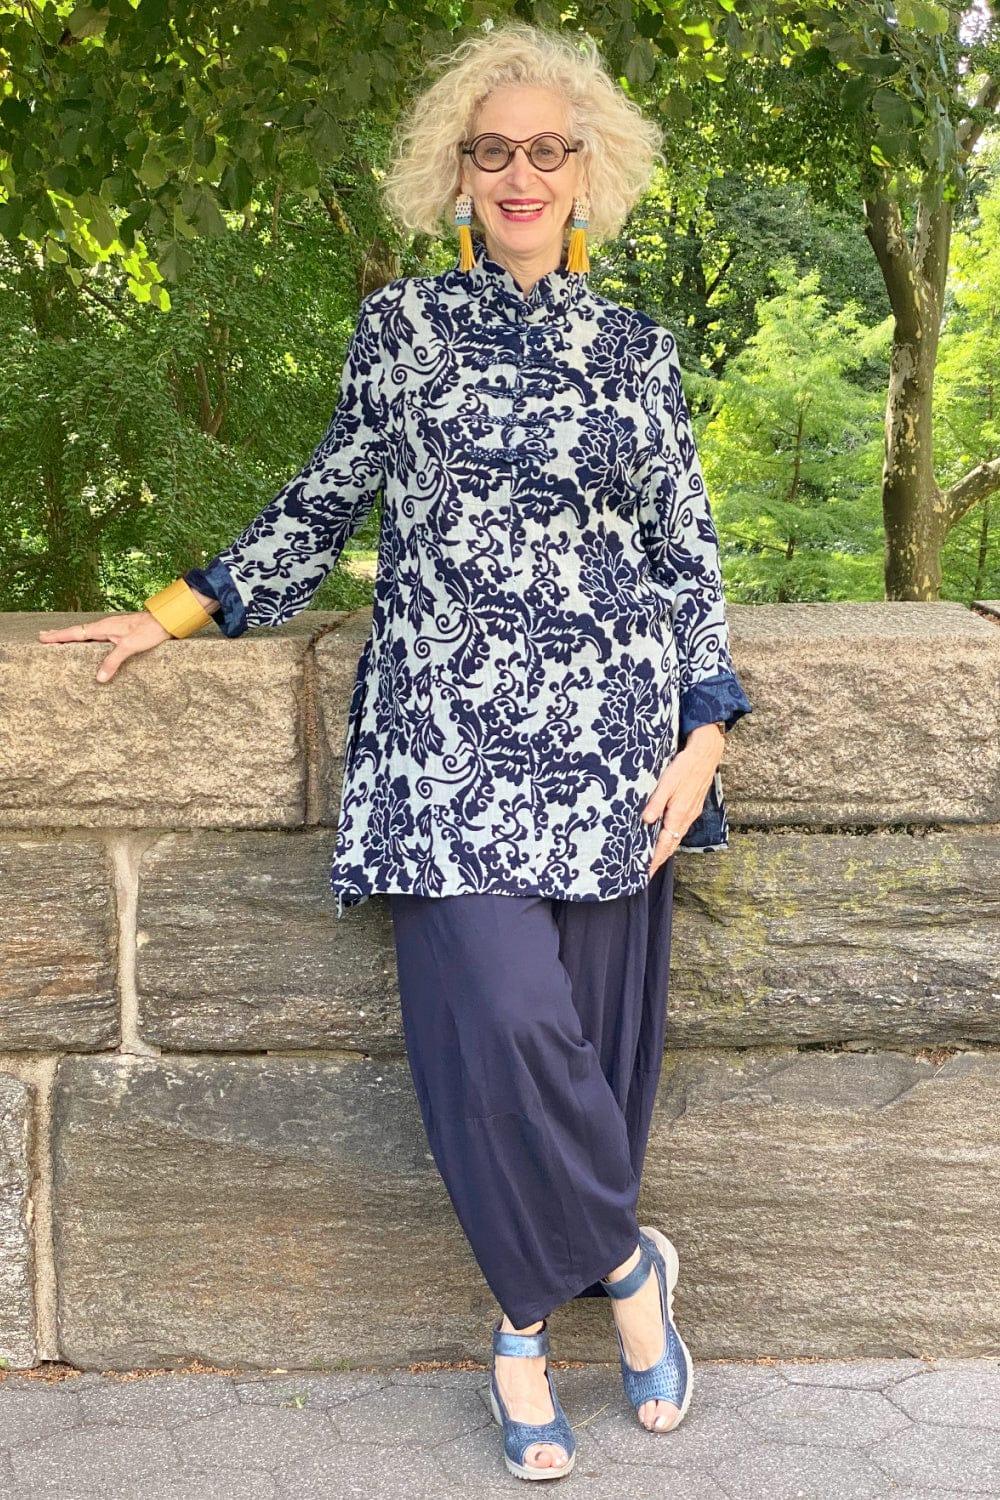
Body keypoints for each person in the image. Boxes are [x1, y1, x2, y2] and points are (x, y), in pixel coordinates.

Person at [38, 20, 752, 1484]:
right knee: (498, 1034)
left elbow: (686, 553)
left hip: (618, 748)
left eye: (550, 148)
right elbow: (323, 499)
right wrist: (174, 610)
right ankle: (627, 1279)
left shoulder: (639, 351)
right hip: (443, 752)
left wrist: (707, 730)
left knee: (590, 1068)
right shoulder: (403, 332)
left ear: (590, 169)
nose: (522, 173)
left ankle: (513, 1325)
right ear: (456, 173)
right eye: (494, 150)